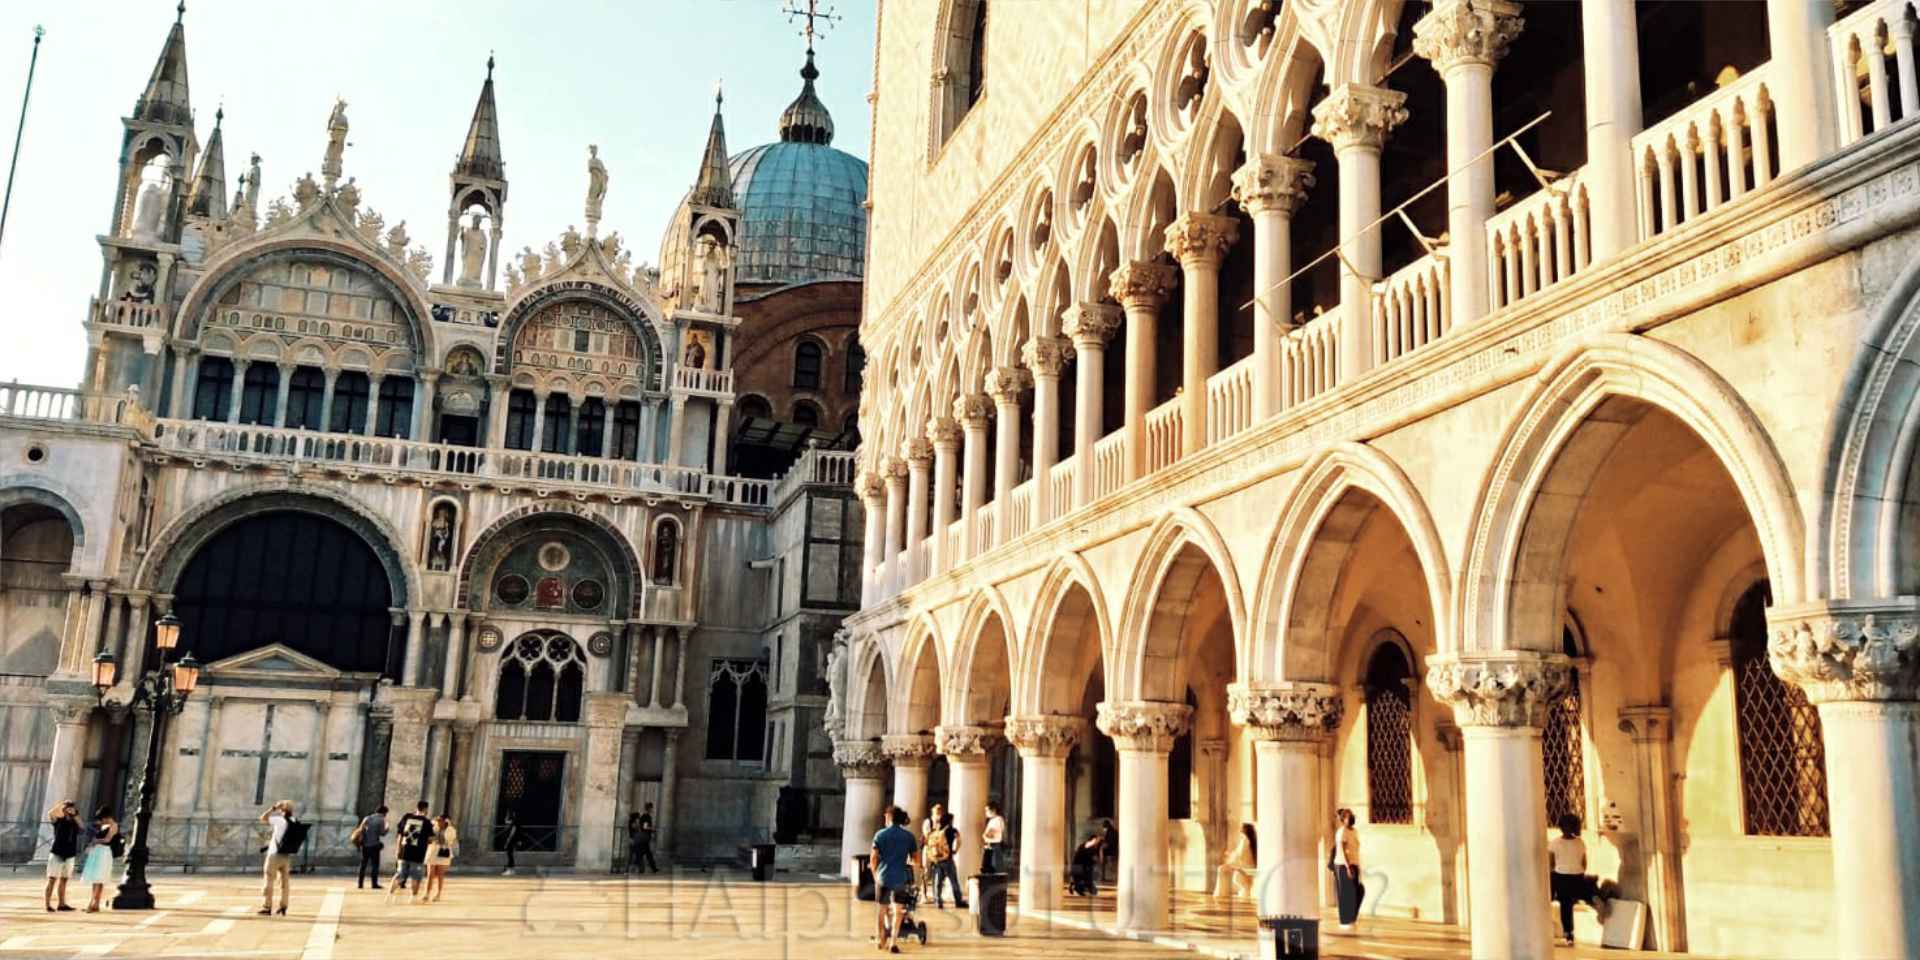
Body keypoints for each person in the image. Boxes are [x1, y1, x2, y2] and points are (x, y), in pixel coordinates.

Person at [869, 806, 920, 954]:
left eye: (885, 816)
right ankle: (893, 942)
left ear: (889, 817)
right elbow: (916, 860)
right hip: (900, 878)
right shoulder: (909, 836)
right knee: (899, 910)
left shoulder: (880, 834)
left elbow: (873, 858)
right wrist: (908, 860)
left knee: (881, 909)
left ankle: (880, 938)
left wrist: (875, 874)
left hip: (883, 877)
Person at [1550, 813, 1602, 946]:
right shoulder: (1580, 843)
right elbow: (1584, 864)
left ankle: (1568, 934)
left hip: (1561, 878)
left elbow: (1551, 865)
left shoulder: (1554, 843)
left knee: (1565, 905)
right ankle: (1592, 897)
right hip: (1577, 877)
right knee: (1584, 887)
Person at [259, 800, 298, 916]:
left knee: (269, 879)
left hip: (274, 854)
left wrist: (273, 808)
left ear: (282, 809)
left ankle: (267, 906)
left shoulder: (279, 820)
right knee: (285, 883)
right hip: (286, 855)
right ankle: (284, 906)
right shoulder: (293, 821)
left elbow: (262, 818)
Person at [389, 801, 433, 902]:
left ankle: (390, 894)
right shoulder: (426, 822)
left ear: (416, 807)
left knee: (400, 874)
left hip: (404, 851)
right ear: (426, 809)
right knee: (415, 876)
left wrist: (398, 848)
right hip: (418, 853)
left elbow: (400, 834)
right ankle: (413, 897)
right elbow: (430, 839)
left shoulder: (407, 817)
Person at [1329, 808, 1363, 931]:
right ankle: (1344, 921)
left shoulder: (1354, 831)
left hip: (1354, 864)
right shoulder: (1341, 832)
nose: (1351, 818)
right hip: (1343, 866)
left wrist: (1357, 866)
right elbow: (1342, 850)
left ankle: (1351, 918)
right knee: (1345, 894)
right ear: (1343, 819)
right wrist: (1348, 867)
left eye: (1352, 815)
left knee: (1357, 892)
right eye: (1349, 816)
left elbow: (1355, 849)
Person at [80, 806, 119, 913]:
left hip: (104, 852)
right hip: (97, 852)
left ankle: (92, 904)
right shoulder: (103, 825)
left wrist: (96, 841)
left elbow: (108, 839)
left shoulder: (114, 825)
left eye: (102, 818)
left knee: (99, 879)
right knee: (95, 879)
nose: (101, 820)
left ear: (107, 817)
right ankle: (95, 904)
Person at [44, 800, 80, 912]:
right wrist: (61, 805)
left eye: (71, 808)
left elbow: (82, 825)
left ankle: (62, 903)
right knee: (52, 879)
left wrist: (74, 814)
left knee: (64, 879)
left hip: (70, 853)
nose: (69, 809)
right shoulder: (58, 821)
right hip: (57, 852)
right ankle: (47, 904)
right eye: (68, 808)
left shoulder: (75, 822)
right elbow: (50, 813)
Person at [924, 812, 964, 909]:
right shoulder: (952, 830)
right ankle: (958, 901)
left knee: (938, 882)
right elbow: (959, 841)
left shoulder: (937, 830)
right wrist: (955, 850)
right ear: (950, 820)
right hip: (948, 859)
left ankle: (938, 901)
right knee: (954, 881)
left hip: (937, 859)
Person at [1214, 822, 1257, 900]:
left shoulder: (1245, 839)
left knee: (1221, 869)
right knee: (1223, 868)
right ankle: (1221, 893)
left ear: (1244, 830)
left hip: (1244, 865)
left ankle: (1221, 894)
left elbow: (1240, 855)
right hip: (1245, 864)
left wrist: (1231, 857)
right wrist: (1231, 855)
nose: (1240, 830)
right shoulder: (1249, 840)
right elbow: (1240, 854)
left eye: (1241, 828)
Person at [424, 815, 458, 903]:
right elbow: (428, 837)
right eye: (437, 820)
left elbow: (450, 841)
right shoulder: (434, 827)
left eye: (440, 820)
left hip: (443, 852)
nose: (438, 822)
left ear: (445, 821)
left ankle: (438, 894)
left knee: (440, 874)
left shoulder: (450, 830)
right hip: (433, 851)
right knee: (430, 873)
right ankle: (427, 893)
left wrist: (443, 834)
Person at [354, 805, 389, 889]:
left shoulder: (367, 818)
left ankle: (360, 884)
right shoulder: (381, 820)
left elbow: (361, 830)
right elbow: (382, 833)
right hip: (374, 845)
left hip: (365, 845)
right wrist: (387, 827)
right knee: (375, 865)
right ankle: (374, 884)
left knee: (363, 865)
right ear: (384, 812)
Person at [1068, 831, 1103, 896]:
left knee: (1093, 891)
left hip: (1080, 869)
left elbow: (1096, 861)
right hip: (1080, 869)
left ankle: (1076, 885)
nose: (1097, 842)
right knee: (1089, 888)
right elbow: (1098, 861)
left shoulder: (1088, 847)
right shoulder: (1088, 846)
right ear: (1093, 840)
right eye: (1096, 840)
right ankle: (1076, 886)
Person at [632, 803, 660, 874]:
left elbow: (641, 826)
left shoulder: (643, 816)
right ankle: (636, 867)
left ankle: (653, 868)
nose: (652, 810)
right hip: (645, 837)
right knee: (644, 853)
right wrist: (653, 829)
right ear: (649, 808)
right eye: (651, 808)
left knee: (647, 853)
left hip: (643, 837)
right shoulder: (647, 816)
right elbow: (645, 827)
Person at [980, 800, 1007, 874]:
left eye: (987, 810)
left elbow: (989, 834)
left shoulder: (997, 820)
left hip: (993, 846)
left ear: (993, 810)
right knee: (988, 868)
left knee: (993, 868)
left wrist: (985, 835)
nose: (986, 813)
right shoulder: (993, 820)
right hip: (990, 846)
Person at [500, 811, 521, 877]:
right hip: (513, 840)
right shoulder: (514, 822)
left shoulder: (515, 823)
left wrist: (507, 841)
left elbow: (512, 833)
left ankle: (510, 870)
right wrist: (507, 816)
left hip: (511, 840)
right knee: (510, 855)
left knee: (510, 855)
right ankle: (511, 870)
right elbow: (506, 821)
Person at [1101, 818, 1119, 884]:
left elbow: (1110, 843)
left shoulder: (1111, 832)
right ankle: (1103, 875)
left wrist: (1103, 845)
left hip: (1111, 851)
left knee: (1101, 850)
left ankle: (1104, 876)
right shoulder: (1111, 831)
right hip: (1110, 850)